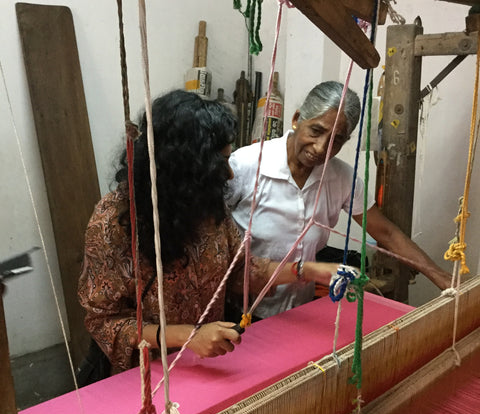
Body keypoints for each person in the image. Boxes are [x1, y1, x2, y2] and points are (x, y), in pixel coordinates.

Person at [77, 89, 338, 374]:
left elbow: (239, 272)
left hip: (206, 365)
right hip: (145, 378)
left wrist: (308, 271)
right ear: (184, 168)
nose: (229, 174)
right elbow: (106, 322)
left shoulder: (208, 208)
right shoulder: (113, 223)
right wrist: (188, 336)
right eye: (220, 163)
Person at [226, 81, 452, 319]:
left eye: (336, 140)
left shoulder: (342, 178)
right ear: (296, 119)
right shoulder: (246, 165)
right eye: (316, 131)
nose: (322, 147)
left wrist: (443, 279)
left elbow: (387, 233)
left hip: (300, 314)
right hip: (237, 313)